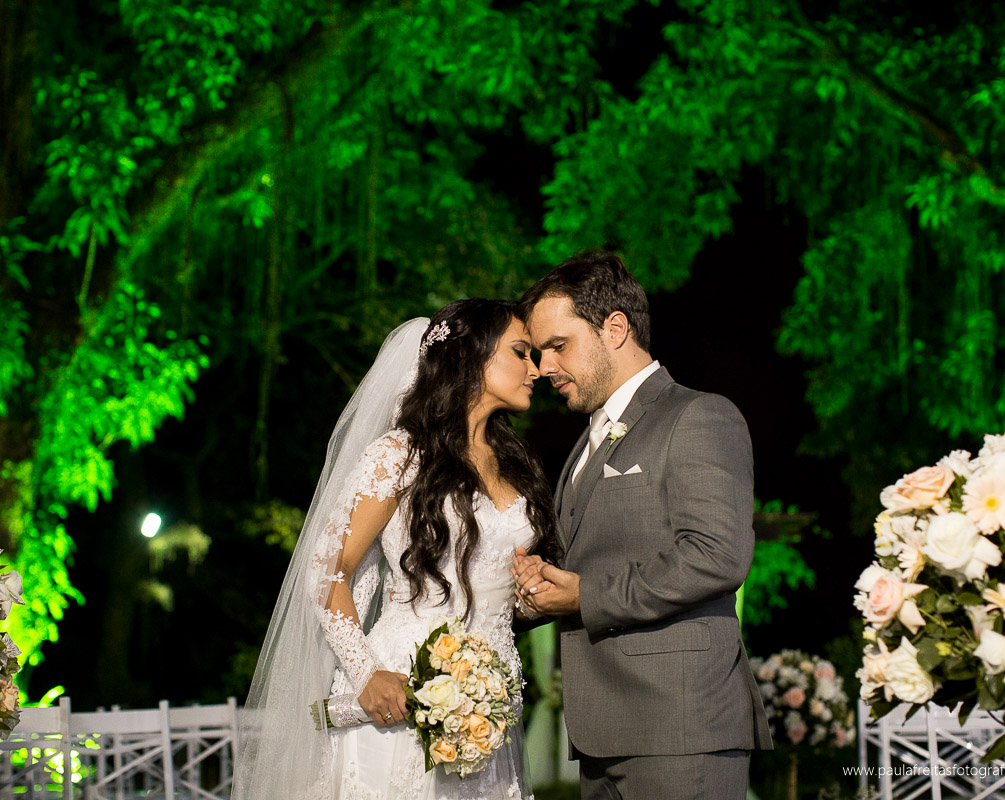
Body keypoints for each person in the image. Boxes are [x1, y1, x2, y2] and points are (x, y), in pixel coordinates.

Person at [234, 299, 559, 800]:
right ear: (471, 357)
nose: (535, 368)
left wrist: (530, 588)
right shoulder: (399, 455)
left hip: (490, 708)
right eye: (521, 352)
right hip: (400, 695)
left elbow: (494, 580)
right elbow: (325, 570)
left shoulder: (515, 464)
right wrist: (366, 673)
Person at [511, 251, 772, 800]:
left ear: (615, 327)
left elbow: (716, 555)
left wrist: (585, 596)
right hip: (603, 734)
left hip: (680, 729)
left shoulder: (699, 415)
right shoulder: (588, 440)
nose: (545, 368)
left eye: (559, 346)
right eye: (538, 353)